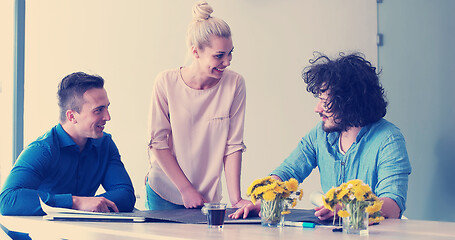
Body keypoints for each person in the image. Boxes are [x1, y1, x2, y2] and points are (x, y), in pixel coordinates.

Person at [229, 52, 412, 220]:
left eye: (325, 102)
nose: (317, 109)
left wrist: (350, 208)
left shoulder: (389, 139)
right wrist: (264, 198)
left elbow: (393, 206)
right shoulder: (320, 134)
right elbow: (288, 171)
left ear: (349, 103)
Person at [146, 1, 249, 210]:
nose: (227, 61)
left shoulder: (235, 84)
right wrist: (185, 189)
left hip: (208, 198)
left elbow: (233, 146)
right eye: (219, 56)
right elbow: (157, 143)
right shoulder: (165, 82)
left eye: (230, 53)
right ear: (195, 52)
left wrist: (236, 199)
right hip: (164, 191)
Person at [0, 72, 136, 216]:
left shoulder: (105, 145)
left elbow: (125, 195)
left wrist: (88, 204)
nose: (108, 117)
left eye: (107, 107)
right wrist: (76, 202)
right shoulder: (42, 149)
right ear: (72, 116)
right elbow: (7, 200)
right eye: (98, 110)